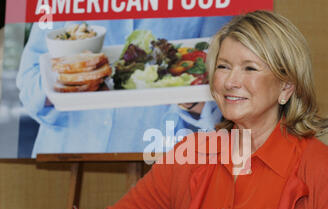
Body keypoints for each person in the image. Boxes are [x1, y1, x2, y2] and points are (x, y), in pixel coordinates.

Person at [64, 11, 328, 209]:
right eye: (223, 67)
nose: (231, 81)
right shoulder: (189, 155)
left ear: (286, 88)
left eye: (250, 68)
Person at [16, 17, 231, 157]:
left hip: (153, 169)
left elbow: (223, 104)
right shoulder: (65, 4)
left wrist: (193, 100)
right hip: (63, 159)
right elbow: (29, 82)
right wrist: (72, 75)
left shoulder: (203, 8)